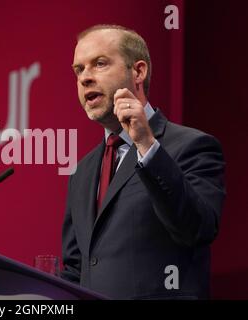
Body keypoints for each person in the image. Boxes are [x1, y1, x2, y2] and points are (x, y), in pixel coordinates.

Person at [61, 24, 225, 299]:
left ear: (138, 71)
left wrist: (146, 145)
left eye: (99, 64)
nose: (84, 78)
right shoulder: (82, 171)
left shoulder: (193, 146)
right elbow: (76, 268)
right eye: (79, 70)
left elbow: (197, 228)